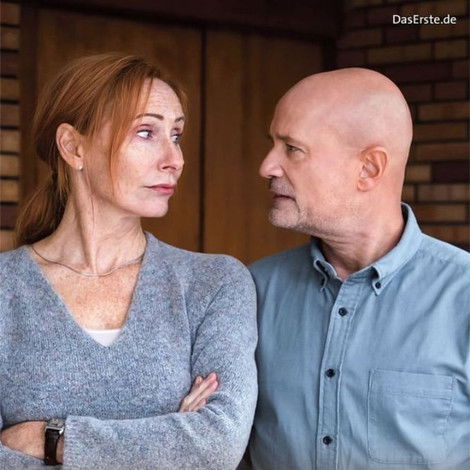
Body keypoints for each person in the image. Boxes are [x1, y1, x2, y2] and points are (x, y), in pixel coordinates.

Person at [0, 53, 257, 469]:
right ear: (73, 146)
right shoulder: (5, 288)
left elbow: (217, 445)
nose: (175, 160)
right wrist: (169, 439)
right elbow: (192, 450)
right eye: (145, 132)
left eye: (176, 135)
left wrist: (52, 438)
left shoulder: (214, 283)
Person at [247, 68, 470, 470]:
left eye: (292, 148)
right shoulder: (252, 291)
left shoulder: (464, 297)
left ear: (369, 168)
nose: (267, 166)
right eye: (272, 144)